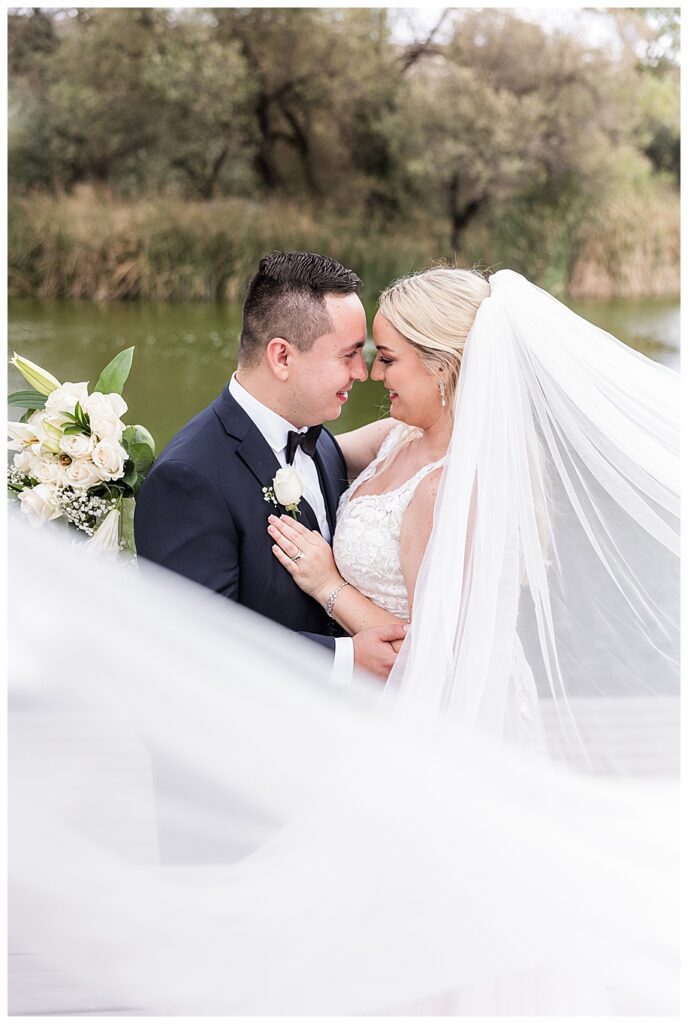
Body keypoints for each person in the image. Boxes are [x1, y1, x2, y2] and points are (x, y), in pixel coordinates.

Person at [268, 265, 679, 756]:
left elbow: (436, 656)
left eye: (389, 360)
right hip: (375, 707)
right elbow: (295, 450)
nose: (374, 374)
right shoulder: (399, 437)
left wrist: (328, 584)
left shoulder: (448, 488)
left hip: (440, 727)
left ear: (441, 366)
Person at [134, 251, 406, 679]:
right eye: (348, 355)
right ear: (282, 357)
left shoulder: (318, 439)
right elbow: (193, 644)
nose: (362, 371)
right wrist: (344, 659)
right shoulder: (188, 477)